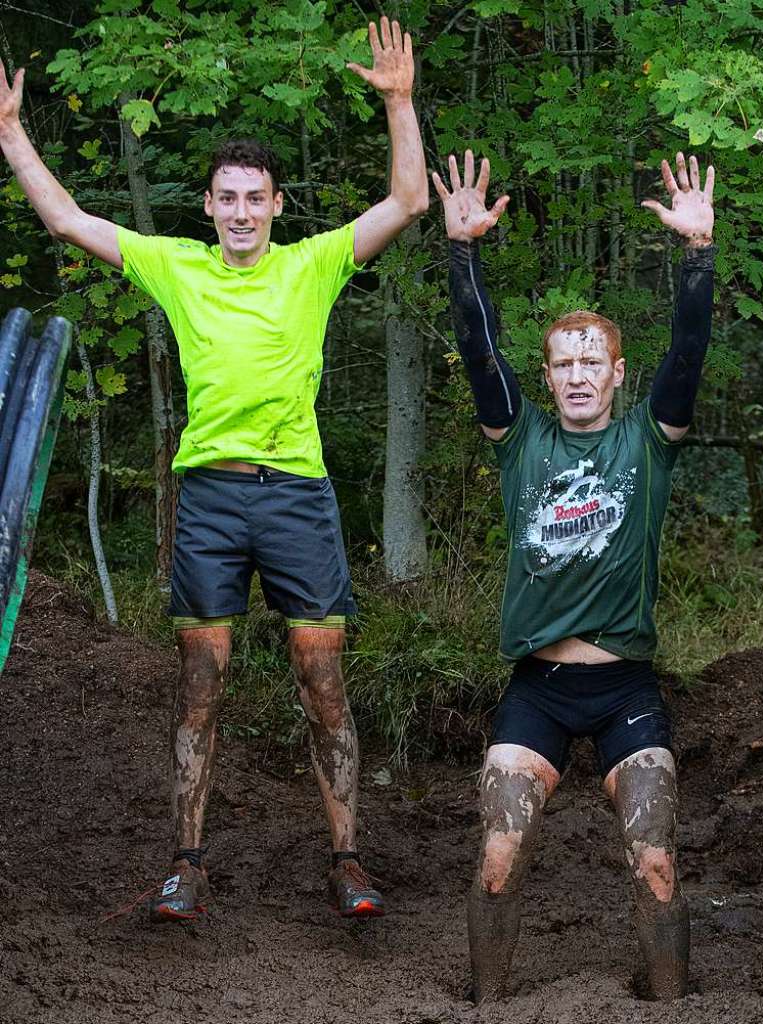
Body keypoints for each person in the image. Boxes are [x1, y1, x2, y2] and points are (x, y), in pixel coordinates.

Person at [0, 16, 428, 922]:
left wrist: (399, 102)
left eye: (255, 198)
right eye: (226, 197)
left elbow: (405, 203)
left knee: (323, 682)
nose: (240, 211)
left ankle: (347, 859)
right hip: (211, 499)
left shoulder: (312, 267)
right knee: (199, 687)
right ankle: (185, 866)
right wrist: (9, 132)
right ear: (208, 206)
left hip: (298, 499)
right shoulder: (178, 268)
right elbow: (67, 218)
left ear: (277, 206)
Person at [432, 149, 715, 1001]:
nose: (579, 375)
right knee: (497, 854)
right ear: (547, 375)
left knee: (655, 860)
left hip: (626, 688)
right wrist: (461, 254)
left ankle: (668, 1006)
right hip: (538, 691)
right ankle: (484, 1007)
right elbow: (481, 358)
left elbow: (688, 355)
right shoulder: (521, 441)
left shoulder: (646, 440)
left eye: (594, 362)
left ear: (616, 374)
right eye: (563, 363)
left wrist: (697, 252)